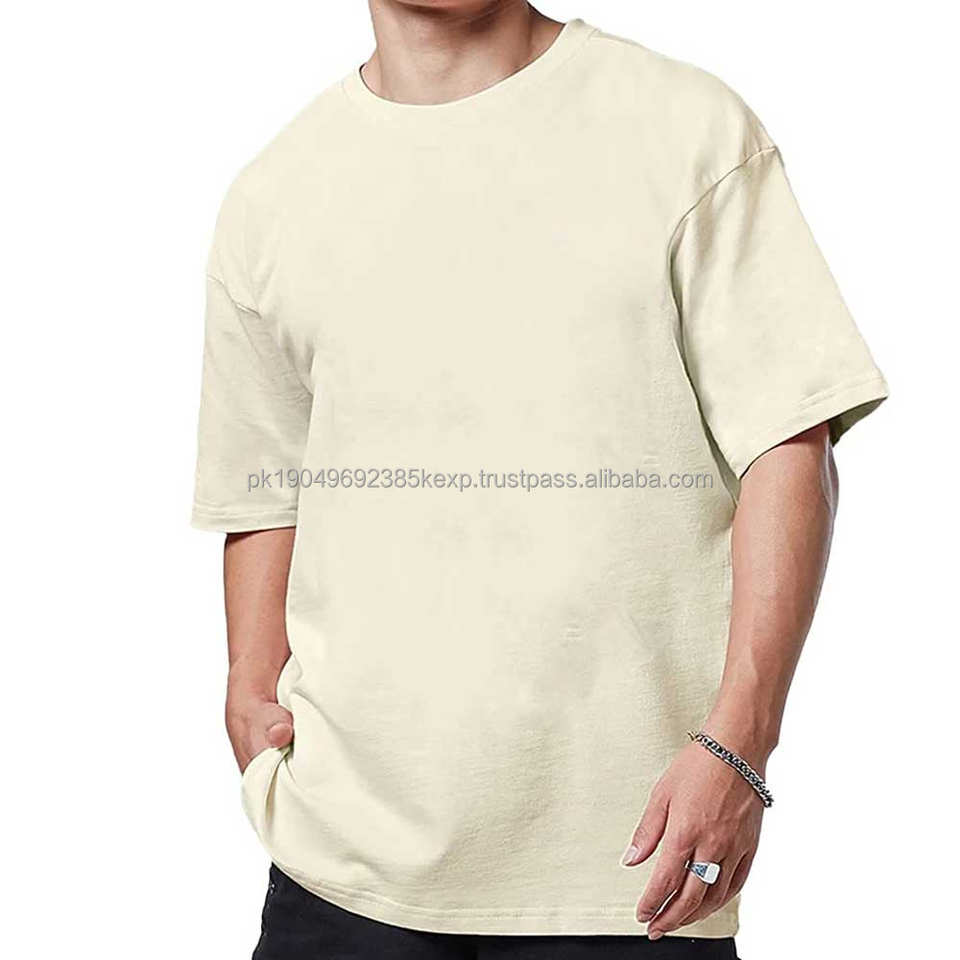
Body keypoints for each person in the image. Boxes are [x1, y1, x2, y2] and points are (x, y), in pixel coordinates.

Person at [192, 2, 887, 957]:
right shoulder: (274, 193)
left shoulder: (685, 127)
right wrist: (248, 680)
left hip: (632, 863)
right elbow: (266, 484)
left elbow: (787, 443)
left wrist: (741, 743)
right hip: (341, 867)